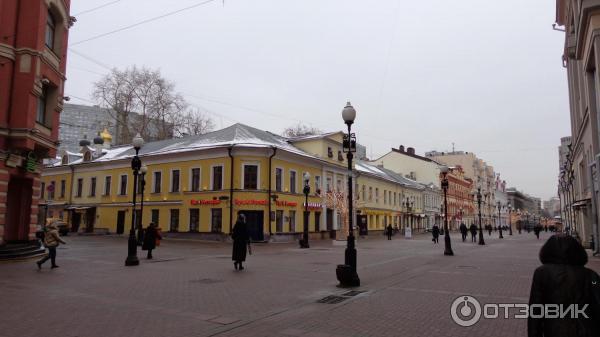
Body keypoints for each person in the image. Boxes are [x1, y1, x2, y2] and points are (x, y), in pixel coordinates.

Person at [528, 234, 600, 337]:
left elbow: (535, 309)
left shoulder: (542, 273)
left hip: (555, 330)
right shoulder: (590, 275)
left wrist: (534, 333)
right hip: (587, 329)